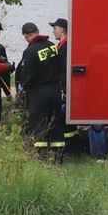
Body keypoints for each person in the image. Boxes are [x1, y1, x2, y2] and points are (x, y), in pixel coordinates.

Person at [17, 22, 64, 160]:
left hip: (39, 92)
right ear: (38, 31)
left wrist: (23, 87)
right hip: (55, 90)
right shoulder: (52, 46)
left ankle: (41, 156)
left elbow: (28, 75)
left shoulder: (30, 51)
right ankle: (58, 157)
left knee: (39, 123)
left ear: (26, 36)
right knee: (55, 123)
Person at [50, 18, 81, 152]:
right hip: (63, 86)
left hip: (64, 87)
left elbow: (64, 69)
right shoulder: (62, 45)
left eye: (55, 28)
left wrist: (62, 87)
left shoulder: (66, 46)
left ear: (62, 29)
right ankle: (72, 147)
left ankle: (70, 148)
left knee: (64, 119)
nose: (53, 31)